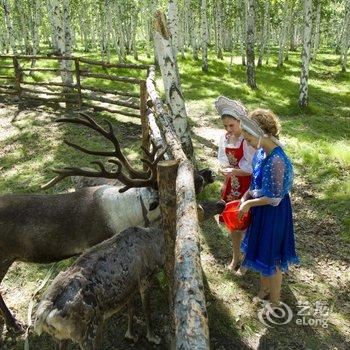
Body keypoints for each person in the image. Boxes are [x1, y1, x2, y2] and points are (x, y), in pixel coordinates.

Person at [238, 109, 300, 309]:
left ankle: (274, 300)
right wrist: (246, 194)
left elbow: (274, 198)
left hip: (274, 214)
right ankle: (264, 290)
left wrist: (248, 204)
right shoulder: (261, 153)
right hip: (261, 209)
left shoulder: (277, 160)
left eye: (248, 138)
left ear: (262, 133)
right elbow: (256, 182)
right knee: (260, 249)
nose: (246, 142)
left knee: (272, 255)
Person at [215, 96, 255, 274]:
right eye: (225, 126)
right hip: (232, 184)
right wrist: (223, 168)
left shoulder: (247, 140)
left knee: (247, 222)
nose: (228, 129)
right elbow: (222, 159)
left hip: (246, 185)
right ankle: (235, 256)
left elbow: (252, 167)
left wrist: (234, 171)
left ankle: (247, 259)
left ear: (240, 122)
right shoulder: (225, 138)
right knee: (233, 222)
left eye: (232, 125)